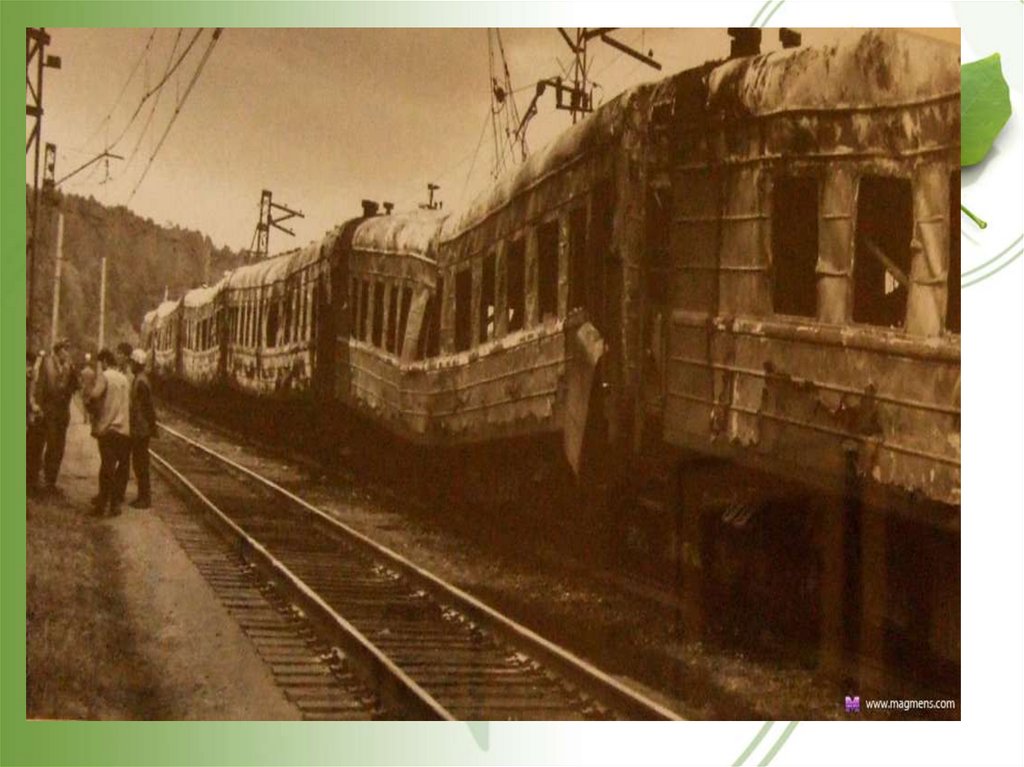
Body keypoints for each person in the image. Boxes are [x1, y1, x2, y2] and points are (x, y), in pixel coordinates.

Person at [28, 339, 78, 494]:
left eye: (68, 350)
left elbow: (74, 388)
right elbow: (39, 386)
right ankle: (32, 481)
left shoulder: (69, 366)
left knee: (57, 448)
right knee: (38, 446)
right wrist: (36, 407)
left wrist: (73, 373)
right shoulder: (46, 363)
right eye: (65, 350)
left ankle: (51, 482)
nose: (67, 353)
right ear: (58, 350)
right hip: (46, 412)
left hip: (62, 413)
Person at [87, 348, 131, 517]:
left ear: (105, 361)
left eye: (101, 363)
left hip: (108, 429)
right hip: (123, 430)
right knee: (115, 468)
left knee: (107, 468)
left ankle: (103, 506)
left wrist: (89, 402)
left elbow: (94, 395)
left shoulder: (105, 376)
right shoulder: (124, 379)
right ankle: (114, 504)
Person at [128, 349, 156, 509]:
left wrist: (151, 426)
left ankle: (145, 498)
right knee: (139, 463)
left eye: (132, 362)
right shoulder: (139, 379)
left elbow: (147, 407)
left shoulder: (141, 382)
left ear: (137, 364)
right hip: (139, 428)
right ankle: (142, 496)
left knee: (141, 464)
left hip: (141, 429)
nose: (131, 365)